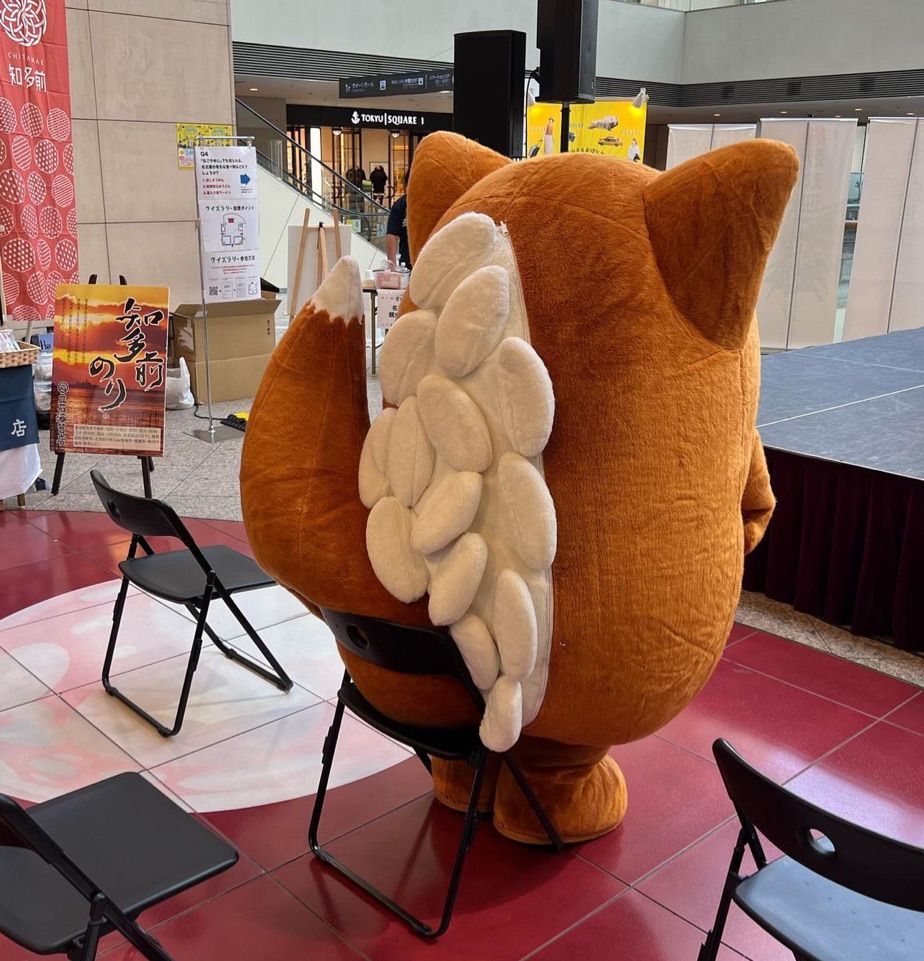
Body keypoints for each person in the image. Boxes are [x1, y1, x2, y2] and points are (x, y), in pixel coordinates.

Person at [386, 170, 411, 269]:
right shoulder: (400, 205)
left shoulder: (431, 204)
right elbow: (392, 234)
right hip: (408, 263)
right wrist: (392, 265)